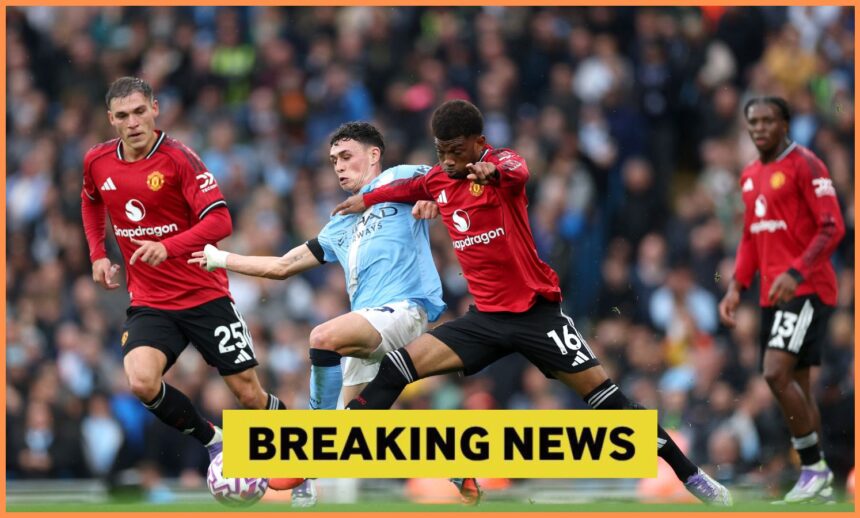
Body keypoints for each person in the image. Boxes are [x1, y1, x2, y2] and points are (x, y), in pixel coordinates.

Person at [333, 99, 733, 506]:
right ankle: (331, 450)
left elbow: (516, 170)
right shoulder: (438, 180)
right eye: (441, 150)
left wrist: (491, 172)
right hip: (485, 321)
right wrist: (365, 200)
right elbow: (402, 188)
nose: (448, 160)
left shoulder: (501, 166)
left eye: (456, 150)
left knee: (609, 401)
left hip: (536, 317)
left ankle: (693, 476)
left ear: (479, 143)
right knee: (396, 367)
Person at [190, 122, 478, 506]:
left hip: (403, 310)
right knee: (355, 434)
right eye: (333, 160)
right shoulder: (340, 223)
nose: (339, 166)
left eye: (346, 156)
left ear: (373, 155)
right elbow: (282, 266)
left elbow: (456, 181)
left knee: (322, 338)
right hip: (369, 325)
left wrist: (436, 201)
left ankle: (310, 448)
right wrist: (221, 258)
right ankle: (454, 466)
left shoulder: (401, 178)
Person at [81, 77, 284, 473]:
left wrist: (168, 246)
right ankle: (215, 440)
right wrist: (97, 255)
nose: (133, 122)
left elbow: (221, 220)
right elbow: (91, 200)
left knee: (250, 396)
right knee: (141, 381)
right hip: (151, 302)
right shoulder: (97, 160)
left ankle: (299, 468)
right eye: (122, 116)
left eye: (140, 112)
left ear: (155, 109)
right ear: (111, 119)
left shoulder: (179, 159)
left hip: (205, 296)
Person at [719, 96, 844, 504]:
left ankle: (813, 468)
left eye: (767, 121)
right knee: (798, 385)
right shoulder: (750, 174)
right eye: (753, 121)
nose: (759, 128)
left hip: (807, 289)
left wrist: (797, 272)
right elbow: (750, 237)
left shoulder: (806, 164)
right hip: (772, 294)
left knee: (774, 373)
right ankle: (821, 484)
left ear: (785, 124)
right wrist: (736, 286)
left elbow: (832, 226)